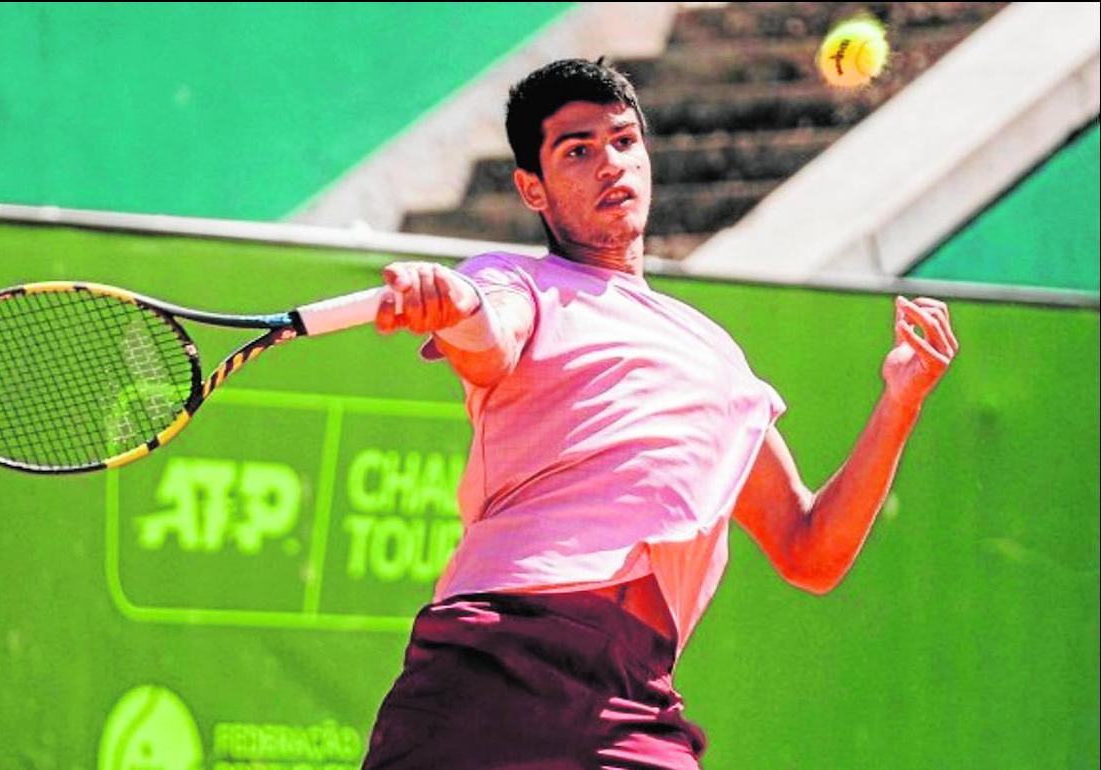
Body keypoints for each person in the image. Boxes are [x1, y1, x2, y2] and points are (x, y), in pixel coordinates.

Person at [361, 59, 958, 769]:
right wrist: (450, 304)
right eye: (576, 151)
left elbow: (810, 552)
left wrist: (901, 400)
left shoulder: (717, 356)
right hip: (495, 659)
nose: (610, 164)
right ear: (532, 189)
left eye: (623, 142)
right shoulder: (513, 281)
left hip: (633, 701)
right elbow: (486, 337)